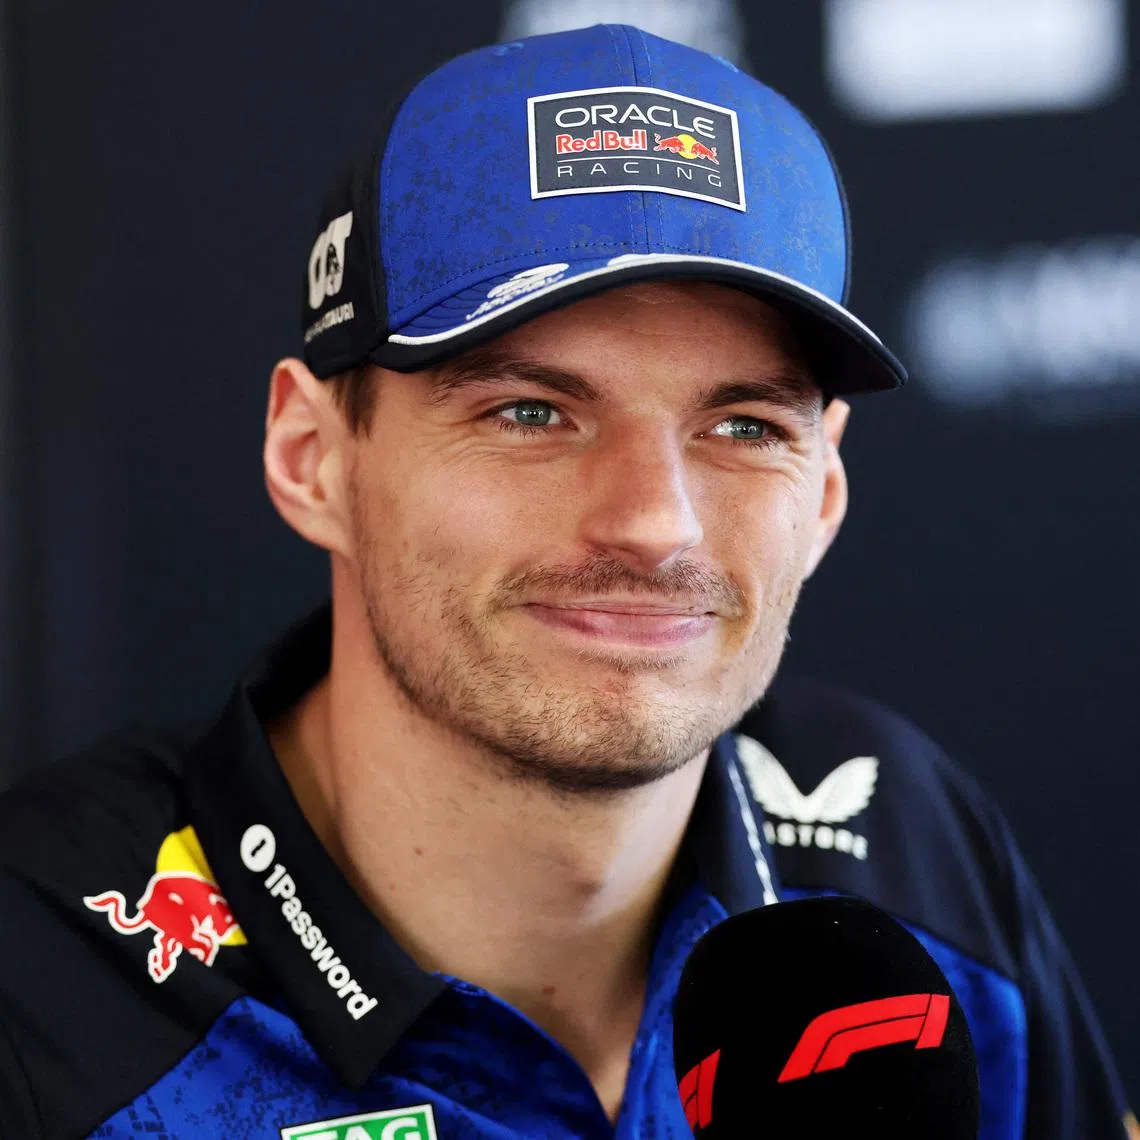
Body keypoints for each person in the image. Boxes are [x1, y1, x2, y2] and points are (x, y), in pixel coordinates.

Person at [0, 23, 1131, 1140]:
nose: (653, 520)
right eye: (530, 412)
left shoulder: (905, 838)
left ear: (824, 493)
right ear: (312, 459)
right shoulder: (42, 988)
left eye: (742, 425)